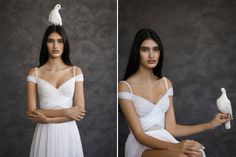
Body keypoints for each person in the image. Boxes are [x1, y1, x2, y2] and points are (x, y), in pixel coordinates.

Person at [118, 28, 232, 157]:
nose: (151, 55)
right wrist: (176, 147)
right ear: (137, 53)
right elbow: (139, 135)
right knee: (180, 156)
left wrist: (210, 124)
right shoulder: (125, 87)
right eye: (145, 49)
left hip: (164, 138)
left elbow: (172, 128)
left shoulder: (167, 84)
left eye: (155, 49)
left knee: (198, 154)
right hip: (140, 144)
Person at [26, 25, 85, 157]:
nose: (55, 46)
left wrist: (48, 120)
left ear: (65, 44)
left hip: (68, 133)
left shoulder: (76, 71)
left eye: (60, 41)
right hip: (44, 134)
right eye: (50, 41)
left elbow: (79, 113)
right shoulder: (34, 73)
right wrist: (66, 111)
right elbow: (32, 112)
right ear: (45, 44)